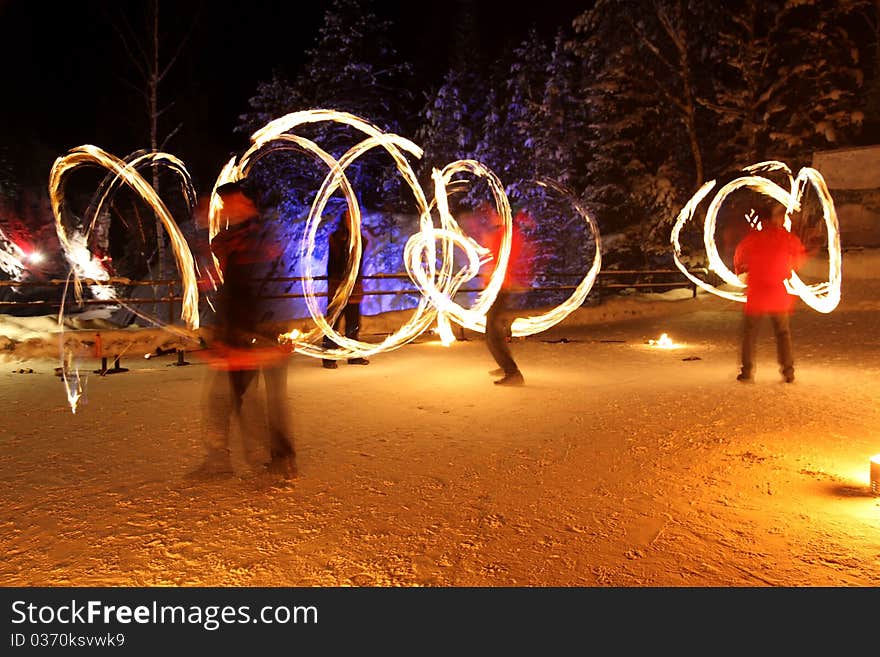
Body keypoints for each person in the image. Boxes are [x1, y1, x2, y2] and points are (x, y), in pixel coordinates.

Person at [192, 179, 297, 479]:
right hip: (242, 328)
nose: (225, 209)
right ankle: (224, 460)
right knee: (230, 397)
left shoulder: (263, 238)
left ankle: (281, 460)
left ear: (248, 203)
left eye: (231, 202)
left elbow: (258, 286)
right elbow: (235, 286)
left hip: (265, 328)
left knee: (262, 400)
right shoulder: (234, 239)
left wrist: (243, 338)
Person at [733, 202, 807, 384]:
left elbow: (739, 260)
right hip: (777, 292)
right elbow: (799, 256)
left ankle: (747, 372)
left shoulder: (752, 239)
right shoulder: (785, 238)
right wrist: (787, 268)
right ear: (774, 219)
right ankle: (788, 372)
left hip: (757, 292)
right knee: (783, 333)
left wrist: (744, 273)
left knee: (749, 333)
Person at [484, 209, 533, 386]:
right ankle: (505, 365)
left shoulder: (505, 235)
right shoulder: (503, 235)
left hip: (501, 288)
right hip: (497, 287)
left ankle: (512, 372)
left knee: (492, 333)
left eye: (492, 214)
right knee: (492, 331)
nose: (489, 217)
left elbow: (508, 257)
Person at [322, 210, 370, 369]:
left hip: (353, 289)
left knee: (353, 323)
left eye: (357, 217)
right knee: (333, 323)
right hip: (338, 287)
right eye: (350, 216)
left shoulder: (361, 239)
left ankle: (353, 356)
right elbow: (336, 262)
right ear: (343, 219)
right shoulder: (336, 238)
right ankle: (329, 357)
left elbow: (358, 262)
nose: (354, 219)